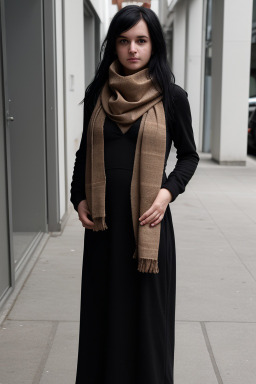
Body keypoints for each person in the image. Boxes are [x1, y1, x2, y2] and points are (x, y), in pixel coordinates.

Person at [70, 5, 199, 384]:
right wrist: (78, 198)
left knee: (145, 318)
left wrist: (166, 194)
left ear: (153, 45)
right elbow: (84, 154)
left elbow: (189, 156)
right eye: (124, 41)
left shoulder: (172, 97)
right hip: (103, 229)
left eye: (141, 40)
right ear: (114, 45)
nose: (132, 49)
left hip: (148, 226)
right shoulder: (98, 93)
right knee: (103, 314)